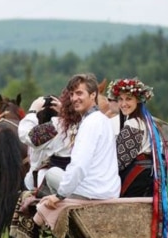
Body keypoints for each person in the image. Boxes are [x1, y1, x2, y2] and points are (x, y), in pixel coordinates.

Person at [39, 73, 121, 209]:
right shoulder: (104, 120)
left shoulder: (86, 123)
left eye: (79, 93)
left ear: (93, 94)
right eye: (71, 95)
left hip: (92, 193)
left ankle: (62, 214)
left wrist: (59, 195)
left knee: (51, 173)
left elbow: (79, 165)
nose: (74, 98)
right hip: (110, 190)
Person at [106, 77, 168, 198]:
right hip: (150, 174)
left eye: (128, 99)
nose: (123, 104)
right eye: (120, 99)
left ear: (138, 101)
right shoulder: (147, 121)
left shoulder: (134, 124)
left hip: (138, 177)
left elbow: (120, 160)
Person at [18, 92, 77, 192]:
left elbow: (26, 135)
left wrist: (33, 110)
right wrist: (65, 113)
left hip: (54, 183)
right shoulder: (85, 122)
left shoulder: (56, 126)